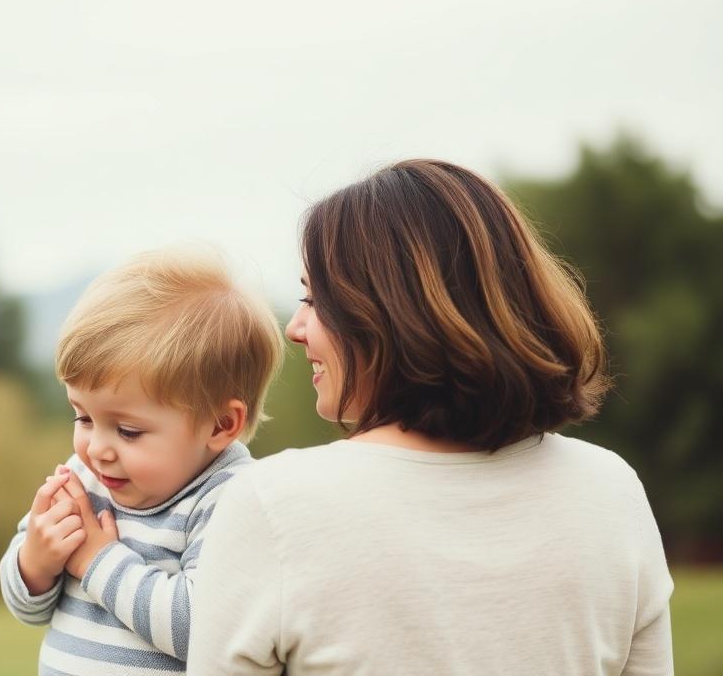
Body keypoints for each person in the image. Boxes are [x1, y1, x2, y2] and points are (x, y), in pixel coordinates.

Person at [188, 159, 674, 675]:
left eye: (315, 298)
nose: (296, 328)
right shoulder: (610, 491)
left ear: (386, 311)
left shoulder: (274, 504)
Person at [0, 249, 284, 675]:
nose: (97, 449)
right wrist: (35, 562)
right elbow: (26, 608)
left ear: (221, 424)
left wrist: (96, 560)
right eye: (84, 417)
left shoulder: (231, 499)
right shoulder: (84, 480)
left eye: (128, 431)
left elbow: (200, 630)